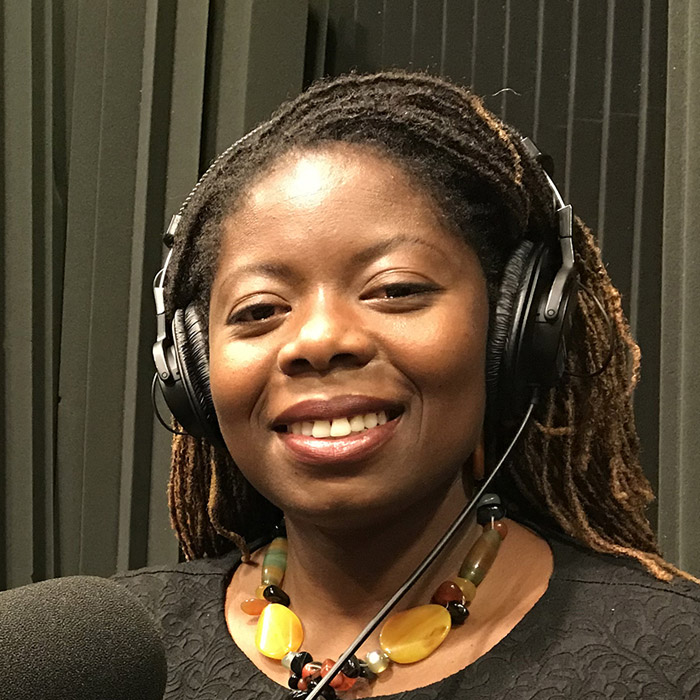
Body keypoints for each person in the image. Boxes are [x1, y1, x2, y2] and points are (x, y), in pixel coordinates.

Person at [113, 71, 700, 699]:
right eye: (259, 310)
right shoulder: (113, 659)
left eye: (395, 290)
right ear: (190, 369)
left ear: (518, 328)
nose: (317, 341)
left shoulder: (673, 657)